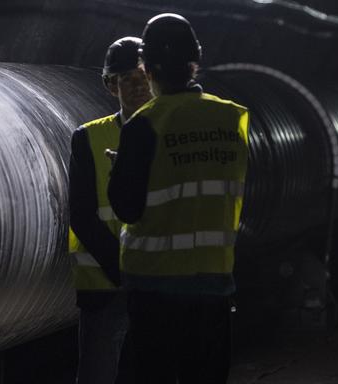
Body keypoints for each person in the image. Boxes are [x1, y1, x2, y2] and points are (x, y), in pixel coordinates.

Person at [107, 13, 249, 383]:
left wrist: (122, 169)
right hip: (214, 285)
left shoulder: (145, 124)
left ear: (148, 70)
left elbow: (127, 207)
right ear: (194, 63)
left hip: (156, 289)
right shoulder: (232, 118)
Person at [69, 36, 151, 384]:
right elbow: (83, 216)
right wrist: (124, 272)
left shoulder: (172, 134)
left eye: (143, 77)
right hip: (106, 286)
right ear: (109, 85)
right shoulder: (89, 138)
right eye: (126, 79)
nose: (137, 86)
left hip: (157, 284)